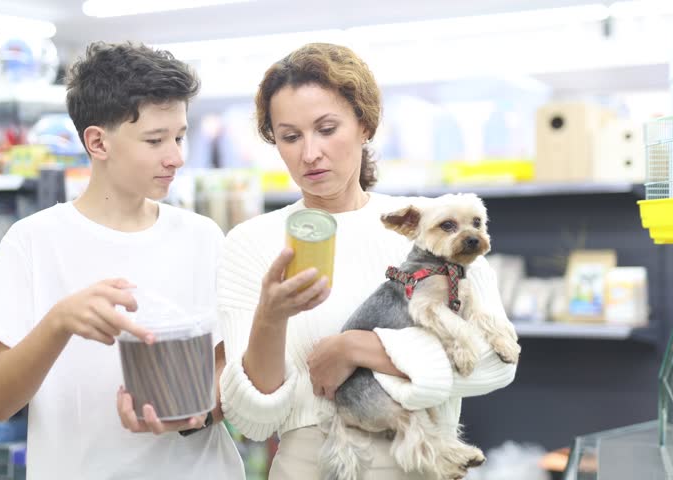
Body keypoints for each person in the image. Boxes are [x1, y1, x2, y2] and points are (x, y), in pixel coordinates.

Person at [216, 42, 517, 479]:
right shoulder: (252, 242)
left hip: (426, 462)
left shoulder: (431, 224)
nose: (309, 153)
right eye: (290, 136)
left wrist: (360, 348)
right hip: (312, 466)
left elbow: (495, 363)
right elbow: (252, 420)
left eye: (326, 128)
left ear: (364, 124)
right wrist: (270, 317)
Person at [0, 42, 244, 480]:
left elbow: (228, 371)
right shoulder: (33, 241)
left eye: (179, 136)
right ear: (97, 142)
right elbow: (0, 402)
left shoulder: (203, 237)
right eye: (155, 140)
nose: (176, 157)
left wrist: (196, 412)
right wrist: (59, 322)